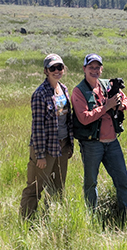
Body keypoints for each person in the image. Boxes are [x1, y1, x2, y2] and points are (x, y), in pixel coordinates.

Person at [71, 53, 127, 219]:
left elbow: (125, 101)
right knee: (91, 183)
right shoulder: (79, 91)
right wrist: (106, 106)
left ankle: (126, 216)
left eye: (97, 67)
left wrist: (119, 105)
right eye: (91, 67)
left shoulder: (107, 85)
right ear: (84, 69)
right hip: (92, 144)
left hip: (112, 142)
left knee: (123, 181)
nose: (94, 70)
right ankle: (92, 218)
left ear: (102, 69)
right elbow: (84, 117)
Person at [20, 53, 74, 219]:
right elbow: (37, 127)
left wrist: (70, 145)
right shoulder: (40, 94)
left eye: (60, 67)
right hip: (45, 148)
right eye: (53, 68)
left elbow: (67, 118)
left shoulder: (63, 89)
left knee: (58, 187)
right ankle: (27, 221)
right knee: (35, 186)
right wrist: (40, 155)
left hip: (62, 145)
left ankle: (52, 220)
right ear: (46, 71)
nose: (57, 71)